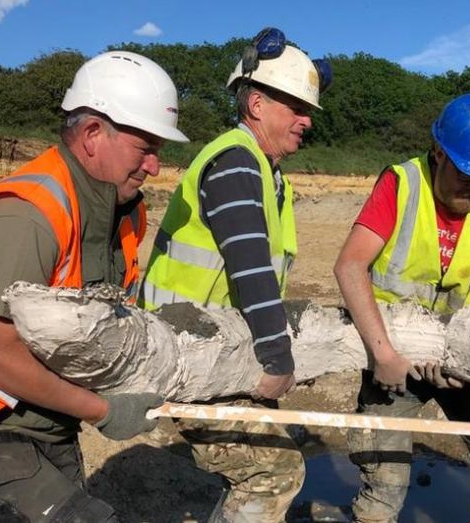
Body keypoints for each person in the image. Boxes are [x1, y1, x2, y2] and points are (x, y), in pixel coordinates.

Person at [0, 50, 189, 521]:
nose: (155, 165)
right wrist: (102, 411)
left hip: (42, 416)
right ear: (92, 135)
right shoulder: (24, 215)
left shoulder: (122, 213)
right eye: (145, 147)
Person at [139, 27, 331, 522]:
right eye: (296, 107)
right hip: (186, 348)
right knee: (277, 473)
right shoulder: (236, 163)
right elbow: (249, 266)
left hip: (207, 338)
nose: (307, 121)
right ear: (258, 104)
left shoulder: (262, 167)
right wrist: (276, 356)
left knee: (265, 462)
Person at [333, 92, 470, 522]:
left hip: (455, 359)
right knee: (383, 494)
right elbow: (350, 266)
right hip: (390, 355)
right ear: (439, 151)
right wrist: (384, 355)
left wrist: (465, 364)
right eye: (466, 174)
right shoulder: (402, 184)